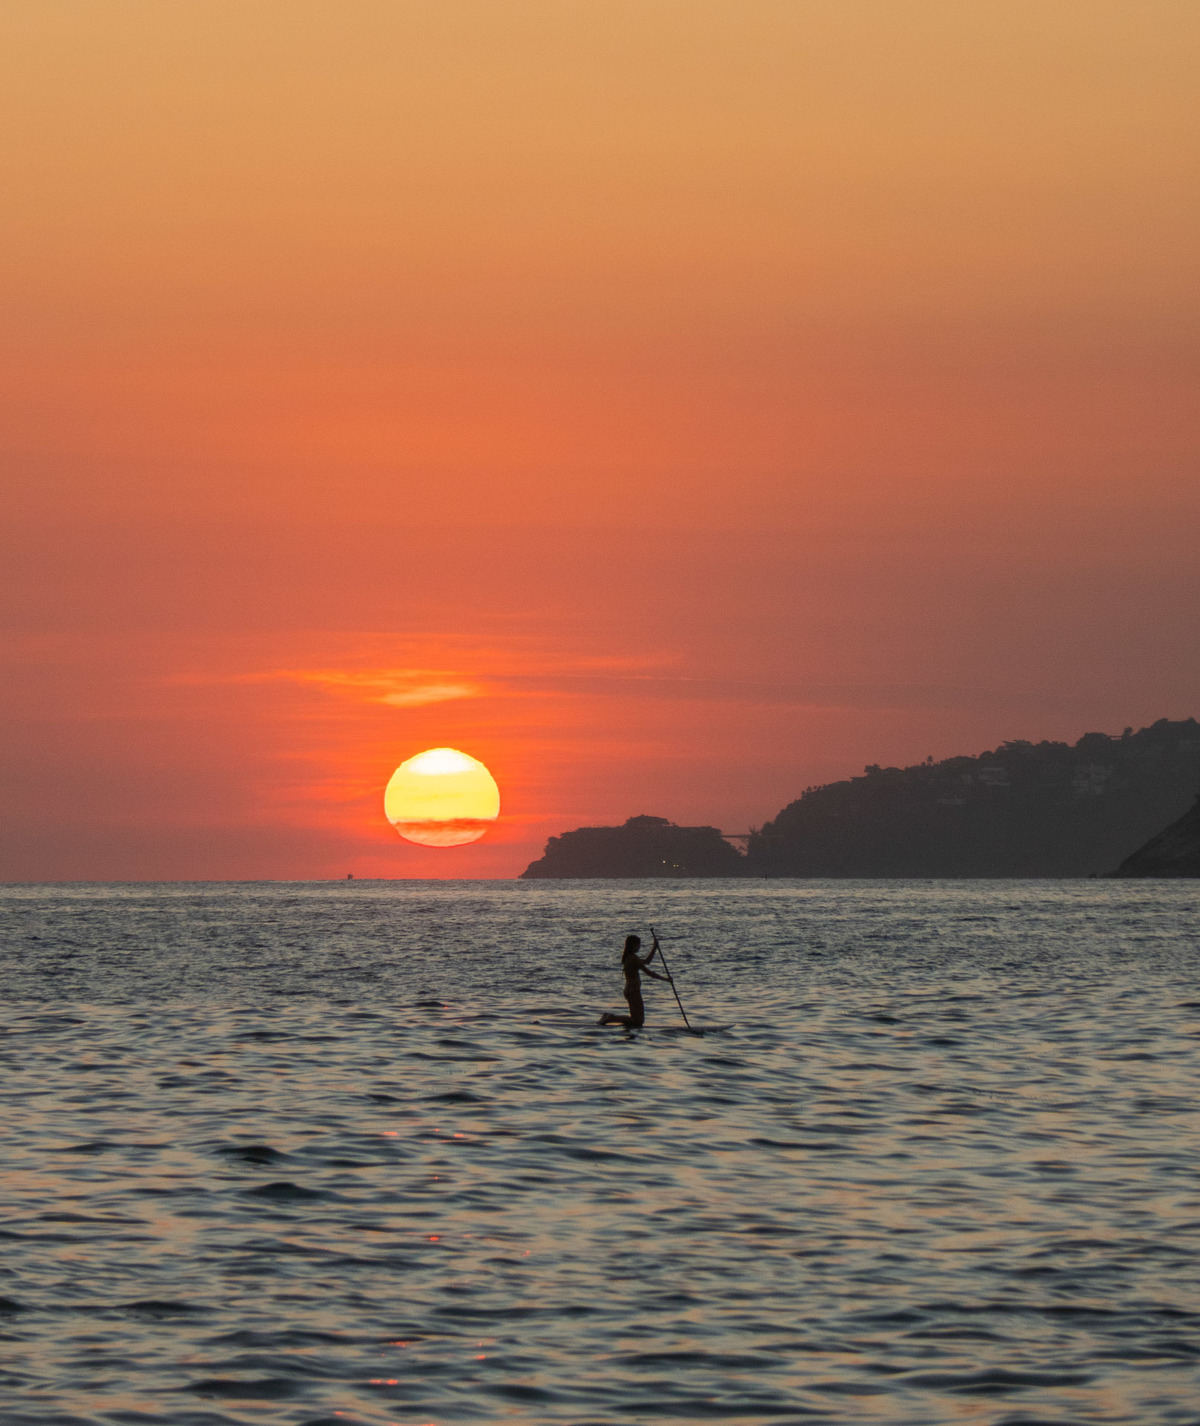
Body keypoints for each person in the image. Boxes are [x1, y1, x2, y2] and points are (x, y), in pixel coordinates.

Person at [598, 932, 668, 1028]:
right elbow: (648, 972)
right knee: (637, 1021)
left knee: (637, 1020)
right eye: (638, 945)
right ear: (633, 946)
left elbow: (647, 961)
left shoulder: (630, 958)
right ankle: (610, 1018)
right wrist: (666, 979)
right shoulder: (632, 958)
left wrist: (654, 948)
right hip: (633, 991)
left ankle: (613, 1019)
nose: (639, 947)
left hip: (631, 990)